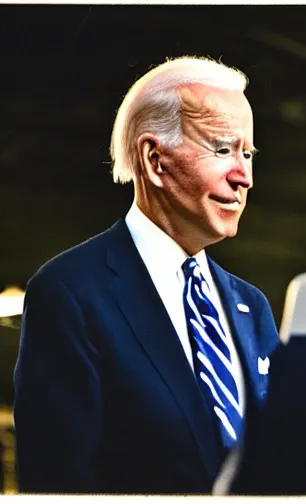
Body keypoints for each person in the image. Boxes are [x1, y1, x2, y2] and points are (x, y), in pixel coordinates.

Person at [13, 57, 280, 494]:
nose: (244, 176)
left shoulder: (252, 306)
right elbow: (56, 486)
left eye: (247, 153)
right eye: (223, 149)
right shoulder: (70, 292)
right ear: (155, 160)